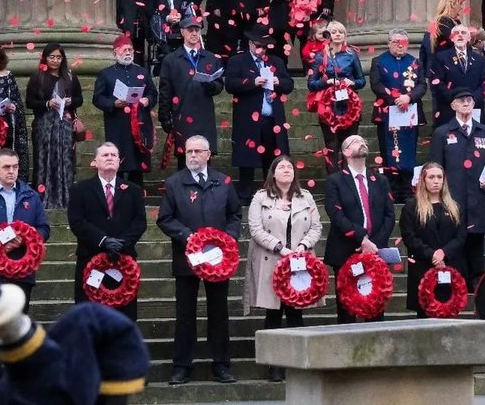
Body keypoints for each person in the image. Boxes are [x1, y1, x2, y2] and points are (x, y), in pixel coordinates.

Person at [156, 135, 242, 385]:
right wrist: (187, 235)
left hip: (218, 260)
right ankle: (182, 366)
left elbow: (235, 214)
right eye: (188, 151)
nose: (192, 155)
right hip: (187, 258)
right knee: (185, 314)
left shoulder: (223, 182)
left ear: (208, 155)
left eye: (197, 151)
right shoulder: (174, 183)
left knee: (219, 313)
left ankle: (221, 365)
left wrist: (229, 238)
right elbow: (165, 218)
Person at [243, 155, 323, 381]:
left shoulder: (306, 197)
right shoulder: (260, 198)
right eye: (281, 167)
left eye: (289, 167)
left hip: (300, 261)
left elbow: (316, 227)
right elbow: (255, 230)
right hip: (272, 260)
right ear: (273, 173)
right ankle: (274, 364)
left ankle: (299, 362)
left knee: (296, 311)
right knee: (274, 313)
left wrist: (302, 246)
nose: (286, 170)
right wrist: (280, 248)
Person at [66, 142, 146, 322]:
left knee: (124, 316)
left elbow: (140, 222)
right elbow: (77, 221)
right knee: (89, 316)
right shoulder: (80, 189)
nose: (110, 158)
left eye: (113, 155)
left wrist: (122, 243)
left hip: (123, 261)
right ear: (95, 161)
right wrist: (103, 240)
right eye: (105, 155)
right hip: (90, 259)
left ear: (119, 161)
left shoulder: (133, 190)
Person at [323, 135, 396, 324]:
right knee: (347, 308)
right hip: (346, 249)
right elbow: (335, 214)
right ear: (346, 152)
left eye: (364, 141)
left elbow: (389, 215)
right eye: (355, 142)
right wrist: (362, 239)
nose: (362, 143)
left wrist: (374, 243)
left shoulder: (380, 180)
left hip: (375, 250)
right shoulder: (335, 181)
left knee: (375, 304)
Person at [428, 89, 485, 284]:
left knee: (476, 244)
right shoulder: (442, 133)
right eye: (461, 100)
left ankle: (476, 285)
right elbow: (435, 166)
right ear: (453, 106)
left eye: (469, 100)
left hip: (478, 199)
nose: (466, 103)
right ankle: (456, 285)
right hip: (452, 199)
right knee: (453, 244)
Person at [226, 28, 294, 204]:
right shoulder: (238, 61)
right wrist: (251, 82)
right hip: (248, 118)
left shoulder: (276, 62)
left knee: (272, 157)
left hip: (272, 118)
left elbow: (289, 84)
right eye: (258, 46)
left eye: (264, 47)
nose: (261, 50)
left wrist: (278, 83)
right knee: (247, 158)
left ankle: (272, 191)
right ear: (250, 44)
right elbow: (230, 84)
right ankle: (245, 195)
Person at [0, 148, 51, 306]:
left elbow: (44, 228)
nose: (11, 171)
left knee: (18, 324)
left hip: (22, 271)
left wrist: (28, 239)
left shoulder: (31, 195)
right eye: (6, 167)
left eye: (15, 167)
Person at [400, 162, 467, 317]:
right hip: (423, 267)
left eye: (439, 177)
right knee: (425, 314)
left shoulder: (454, 207)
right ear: (423, 180)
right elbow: (409, 236)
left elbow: (461, 236)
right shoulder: (412, 206)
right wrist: (432, 255)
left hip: (449, 265)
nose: (436, 181)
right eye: (431, 177)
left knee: (449, 312)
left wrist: (444, 253)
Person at [157, 16, 225, 168]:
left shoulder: (210, 58)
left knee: (205, 157)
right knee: (185, 158)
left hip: (204, 115)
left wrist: (211, 86)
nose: (194, 33)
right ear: (182, 32)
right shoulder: (171, 59)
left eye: (197, 30)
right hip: (182, 113)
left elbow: (219, 85)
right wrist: (164, 117)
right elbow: (165, 90)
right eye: (190, 30)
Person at [91, 35, 158, 188]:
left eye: (130, 50)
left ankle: (138, 198)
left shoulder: (142, 72)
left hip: (139, 123)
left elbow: (153, 94)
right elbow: (97, 99)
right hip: (117, 125)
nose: (128, 53)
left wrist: (147, 101)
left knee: (137, 166)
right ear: (115, 53)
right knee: (118, 163)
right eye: (124, 50)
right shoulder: (106, 74)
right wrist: (114, 103)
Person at [309, 21, 367, 173]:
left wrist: (352, 82)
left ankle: (349, 180)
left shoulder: (351, 55)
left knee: (350, 145)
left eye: (340, 32)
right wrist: (327, 81)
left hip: (349, 105)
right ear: (328, 35)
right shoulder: (321, 57)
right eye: (334, 32)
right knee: (332, 145)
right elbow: (311, 84)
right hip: (329, 107)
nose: (338, 35)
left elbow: (362, 81)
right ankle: (334, 182)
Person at [24, 43, 83, 186]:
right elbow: (29, 102)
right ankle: (43, 197)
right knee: (43, 160)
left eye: (59, 57)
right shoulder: (37, 77)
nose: (55, 60)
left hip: (65, 126)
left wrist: (70, 101)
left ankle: (65, 196)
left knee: (65, 159)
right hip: (43, 126)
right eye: (52, 57)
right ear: (45, 58)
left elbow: (80, 99)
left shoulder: (70, 77)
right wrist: (47, 104)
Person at [428, 24, 485, 128]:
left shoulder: (479, 59)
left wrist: (472, 101)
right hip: (450, 109)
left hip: (474, 108)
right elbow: (437, 83)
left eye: (463, 33)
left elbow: (484, 83)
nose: (460, 35)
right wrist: (456, 101)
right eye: (456, 33)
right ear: (451, 38)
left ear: (469, 38)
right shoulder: (441, 57)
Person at [0, 44, 28, 178]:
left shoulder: (8, 76)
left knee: (4, 156)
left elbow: (16, 100)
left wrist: (13, 107)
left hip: (5, 126)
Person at [421, 0, 466, 73]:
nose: (462, 8)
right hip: (443, 67)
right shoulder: (443, 21)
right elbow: (455, 41)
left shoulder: (447, 21)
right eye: (460, 4)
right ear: (453, 4)